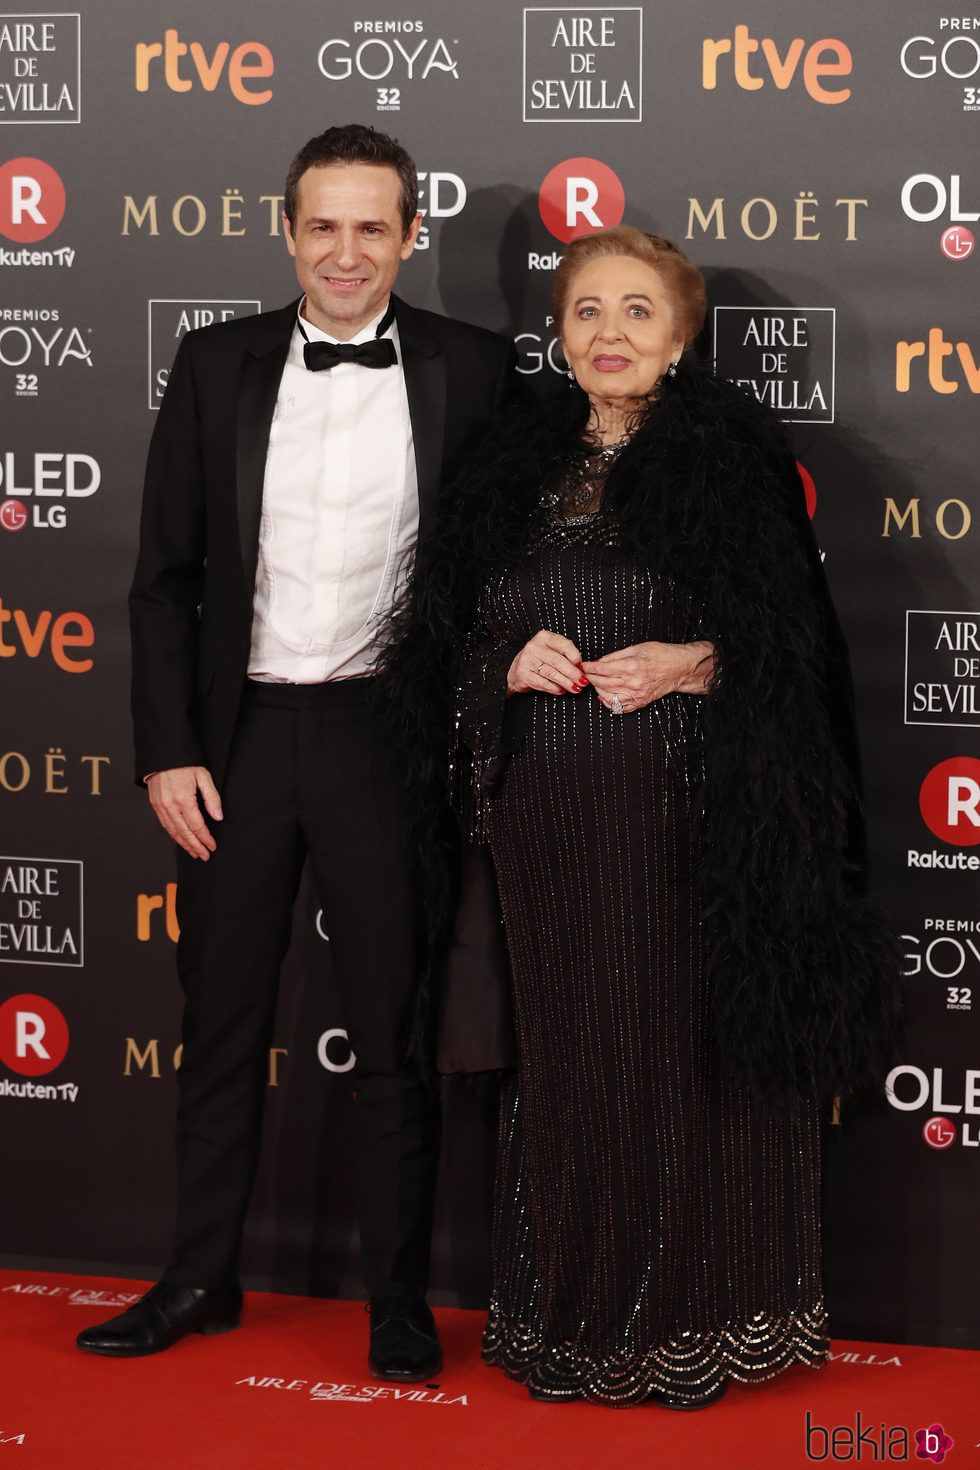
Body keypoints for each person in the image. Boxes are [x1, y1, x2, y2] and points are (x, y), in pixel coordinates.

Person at [385, 228, 901, 1406]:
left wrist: (691, 660)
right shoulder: (503, 469)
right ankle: (571, 1319)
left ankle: (702, 1316)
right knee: (571, 1070)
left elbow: (792, 650)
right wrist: (504, 664)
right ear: (557, 335)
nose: (608, 334)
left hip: (689, 819)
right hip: (543, 825)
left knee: (683, 1059)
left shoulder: (731, 462)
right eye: (585, 312)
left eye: (635, 312)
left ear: (679, 335)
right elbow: (446, 651)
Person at [75, 123, 515, 1378]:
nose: (345, 250)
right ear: (285, 231)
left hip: (387, 739)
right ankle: (198, 1279)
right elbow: (162, 583)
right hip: (238, 743)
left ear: (409, 237)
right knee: (218, 1026)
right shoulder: (214, 365)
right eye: (321, 224)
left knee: (393, 1033)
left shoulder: (475, 371)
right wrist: (165, 751)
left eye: (372, 226)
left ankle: (396, 1298)